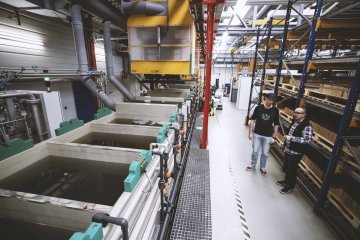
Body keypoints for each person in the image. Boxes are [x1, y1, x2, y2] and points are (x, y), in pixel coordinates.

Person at [276, 107, 313, 194]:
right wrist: (285, 144)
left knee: (292, 169)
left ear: (304, 115)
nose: (295, 114)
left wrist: (291, 138)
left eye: (298, 113)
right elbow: (291, 134)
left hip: (296, 152)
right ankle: (286, 181)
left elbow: (306, 140)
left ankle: (290, 186)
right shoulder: (295, 122)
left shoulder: (307, 126)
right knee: (287, 167)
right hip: (289, 149)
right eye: (295, 112)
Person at [246, 93, 280, 176]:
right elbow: (253, 120)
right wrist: (250, 133)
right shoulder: (258, 108)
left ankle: (262, 167)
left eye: (272, 100)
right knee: (255, 151)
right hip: (257, 133)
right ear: (265, 99)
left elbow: (276, 124)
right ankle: (252, 164)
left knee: (265, 153)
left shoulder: (275, 110)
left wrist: (274, 137)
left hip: (268, 135)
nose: (270, 101)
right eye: (269, 99)